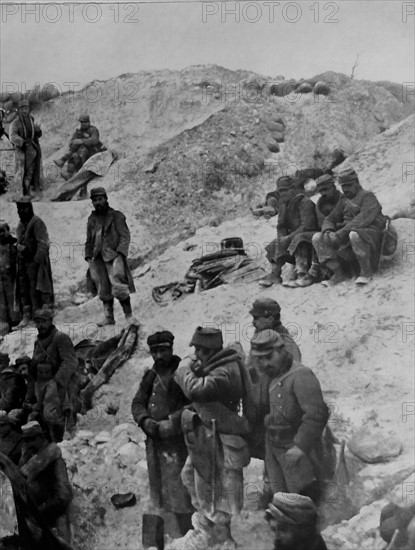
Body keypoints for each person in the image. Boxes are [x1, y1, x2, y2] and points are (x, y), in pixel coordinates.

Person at [169, 327, 250, 550]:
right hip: (209, 436)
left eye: (198, 350)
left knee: (224, 491)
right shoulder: (218, 364)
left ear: (208, 350)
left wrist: (184, 368)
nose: (196, 354)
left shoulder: (226, 370)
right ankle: (205, 529)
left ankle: (222, 538)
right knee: (191, 478)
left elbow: (197, 390)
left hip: (224, 438)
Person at [251, 330, 331, 503]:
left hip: (296, 452)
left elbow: (317, 413)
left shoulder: (301, 375)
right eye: (260, 358)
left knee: (303, 502)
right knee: (281, 500)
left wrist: (300, 446)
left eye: (268, 356)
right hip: (274, 449)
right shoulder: (270, 376)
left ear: (281, 350)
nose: (264, 363)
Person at [132, 330, 193, 537]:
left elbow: (195, 406)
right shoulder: (151, 375)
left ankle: (187, 534)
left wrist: (173, 422)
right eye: (154, 351)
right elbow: (138, 402)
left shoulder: (182, 372)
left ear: (171, 349)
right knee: (158, 491)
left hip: (177, 444)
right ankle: (168, 535)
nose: (158, 356)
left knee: (179, 490)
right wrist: (144, 420)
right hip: (154, 444)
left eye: (163, 351)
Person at [247, 299, 302, 507]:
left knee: (280, 458)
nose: (253, 323)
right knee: (268, 457)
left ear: (270, 318)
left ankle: (287, 503)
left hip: (277, 413)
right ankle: (273, 495)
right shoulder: (259, 339)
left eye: (256, 318)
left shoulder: (285, 344)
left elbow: (292, 380)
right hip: (261, 411)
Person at [314, 166, 386, 285]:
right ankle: (338, 273)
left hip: (369, 234)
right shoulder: (344, 201)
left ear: (356, 183)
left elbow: (361, 220)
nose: (345, 189)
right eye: (343, 186)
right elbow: (330, 218)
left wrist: (340, 233)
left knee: (355, 234)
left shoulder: (368, 196)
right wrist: (328, 231)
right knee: (317, 238)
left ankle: (366, 272)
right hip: (347, 234)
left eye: (348, 185)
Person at [84, 187, 137, 326]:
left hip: (113, 256)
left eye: (100, 199)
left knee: (118, 285)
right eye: (95, 200)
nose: (98, 202)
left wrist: (120, 253)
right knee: (102, 288)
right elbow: (89, 239)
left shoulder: (116, 216)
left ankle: (129, 316)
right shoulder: (92, 219)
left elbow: (125, 236)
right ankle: (109, 317)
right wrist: (88, 255)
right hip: (97, 257)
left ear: (106, 199)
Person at [29, 309, 80, 442]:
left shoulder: (60, 338)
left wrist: (57, 381)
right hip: (41, 383)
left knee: (52, 414)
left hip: (57, 382)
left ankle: (63, 440)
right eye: (37, 322)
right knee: (40, 414)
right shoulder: (38, 342)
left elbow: (70, 361)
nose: (40, 326)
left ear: (50, 321)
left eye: (43, 322)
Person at [18, 421, 73, 544]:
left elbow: (64, 496)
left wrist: (40, 512)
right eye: (25, 441)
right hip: (34, 520)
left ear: (40, 438)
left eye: (30, 440)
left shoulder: (56, 462)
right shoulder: (29, 460)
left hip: (54, 520)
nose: (27, 444)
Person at [259, 176, 318, 287]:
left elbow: (307, 226)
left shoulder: (304, 202)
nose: (282, 194)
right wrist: (282, 238)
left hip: (310, 241)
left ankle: (302, 274)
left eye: (284, 190)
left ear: (292, 188)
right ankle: (275, 275)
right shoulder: (282, 205)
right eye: (280, 191)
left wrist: (289, 237)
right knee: (275, 243)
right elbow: (281, 225)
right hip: (293, 238)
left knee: (299, 238)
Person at [293, 174, 347, 287]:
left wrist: (333, 227)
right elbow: (321, 223)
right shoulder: (320, 204)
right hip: (326, 233)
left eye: (326, 189)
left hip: (343, 234)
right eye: (321, 190)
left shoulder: (344, 200)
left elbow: (350, 220)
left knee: (317, 237)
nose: (323, 193)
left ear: (334, 187)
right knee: (303, 237)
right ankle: (302, 272)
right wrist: (327, 229)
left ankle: (315, 272)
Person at [15, 197, 54, 328]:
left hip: (35, 262)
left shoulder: (37, 222)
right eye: (19, 208)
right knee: (23, 288)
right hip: (23, 262)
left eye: (24, 208)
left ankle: (38, 315)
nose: (22, 211)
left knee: (36, 288)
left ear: (30, 208)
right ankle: (26, 315)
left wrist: (36, 260)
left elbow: (43, 243)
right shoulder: (21, 225)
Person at [54, 114, 106, 179]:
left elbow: (94, 140)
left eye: (84, 122)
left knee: (81, 150)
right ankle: (69, 174)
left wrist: (82, 141)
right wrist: (73, 142)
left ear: (88, 122)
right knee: (74, 155)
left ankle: (64, 159)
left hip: (94, 153)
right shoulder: (79, 131)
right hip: (82, 154)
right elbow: (72, 141)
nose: (83, 124)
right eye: (81, 122)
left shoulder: (93, 130)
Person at [9, 99, 43, 195]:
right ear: (19, 110)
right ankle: (19, 192)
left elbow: (36, 134)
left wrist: (38, 131)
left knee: (32, 170)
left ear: (28, 109)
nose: (24, 111)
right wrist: (21, 142)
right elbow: (12, 136)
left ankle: (33, 190)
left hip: (33, 148)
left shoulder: (32, 120)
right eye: (22, 109)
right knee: (21, 171)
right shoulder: (15, 123)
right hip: (22, 149)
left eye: (26, 108)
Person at [0, 221, 19, 335]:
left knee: (13, 299)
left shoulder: (14, 244)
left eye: (3, 231)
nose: (1, 234)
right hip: (1, 278)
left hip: (12, 277)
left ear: (8, 230)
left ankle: (15, 321)